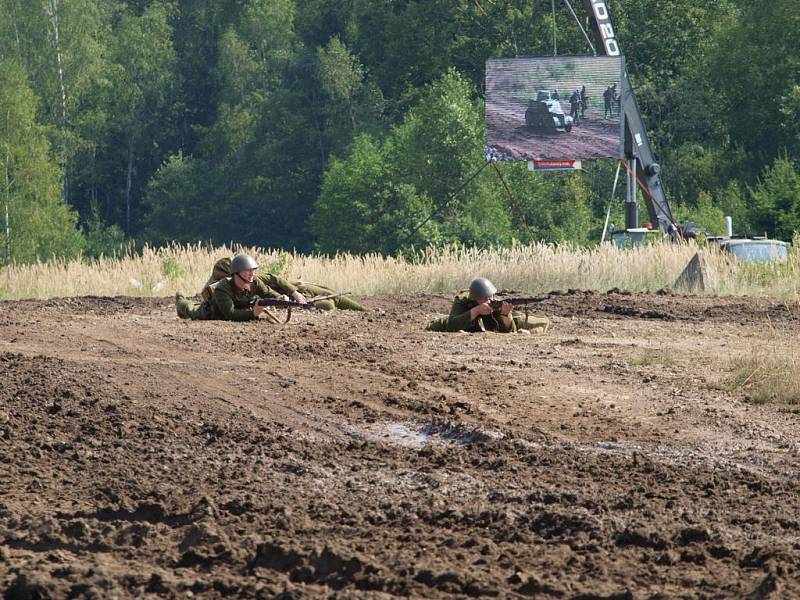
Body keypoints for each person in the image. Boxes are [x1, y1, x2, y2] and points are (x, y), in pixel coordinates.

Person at [200, 256, 365, 312]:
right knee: (328, 300)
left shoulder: (254, 279)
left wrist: (294, 293)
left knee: (327, 292)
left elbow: (275, 279)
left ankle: (365, 310)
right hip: (286, 297)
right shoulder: (225, 290)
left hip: (292, 289)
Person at [175, 254, 287, 321]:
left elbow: (267, 293)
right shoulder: (223, 287)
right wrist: (253, 313)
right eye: (248, 270)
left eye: (253, 270)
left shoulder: (255, 282)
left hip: (240, 308)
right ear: (237, 272)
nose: (252, 273)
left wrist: (280, 299)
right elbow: (230, 314)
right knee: (191, 310)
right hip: (215, 311)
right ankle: (180, 301)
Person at [425, 277, 549, 334]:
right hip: (465, 321)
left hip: (505, 321)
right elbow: (451, 326)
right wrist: (477, 311)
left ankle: (533, 331)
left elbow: (510, 331)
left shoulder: (498, 302)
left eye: (490, 296)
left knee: (540, 323)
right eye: (484, 298)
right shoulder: (462, 301)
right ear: (474, 298)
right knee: (436, 325)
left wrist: (506, 315)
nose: (489, 300)